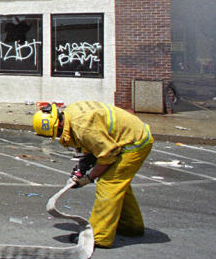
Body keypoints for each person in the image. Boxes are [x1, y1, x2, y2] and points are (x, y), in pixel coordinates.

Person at [32, 100, 153, 248]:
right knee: (119, 185)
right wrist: (82, 167)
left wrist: (88, 178)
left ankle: (99, 236)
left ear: (60, 125)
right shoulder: (72, 113)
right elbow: (93, 143)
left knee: (108, 184)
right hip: (125, 137)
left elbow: (107, 156)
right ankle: (131, 226)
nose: (57, 136)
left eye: (56, 133)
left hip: (134, 143)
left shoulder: (83, 128)